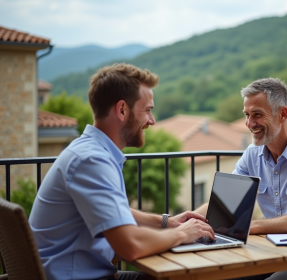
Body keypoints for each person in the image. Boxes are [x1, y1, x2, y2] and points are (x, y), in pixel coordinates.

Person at [29, 63, 215, 280]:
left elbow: (117, 213)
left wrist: (167, 223)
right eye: (147, 111)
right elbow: (130, 246)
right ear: (122, 110)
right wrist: (183, 233)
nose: (152, 121)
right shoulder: (92, 161)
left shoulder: (90, 151)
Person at [195, 78, 287, 280]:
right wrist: (187, 220)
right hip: (271, 255)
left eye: (257, 115)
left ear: (282, 114)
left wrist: (251, 226)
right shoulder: (252, 155)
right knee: (216, 276)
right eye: (247, 115)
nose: (249, 123)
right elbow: (223, 203)